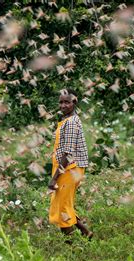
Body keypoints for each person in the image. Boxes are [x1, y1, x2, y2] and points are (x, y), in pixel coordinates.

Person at [48, 88, 93, 240]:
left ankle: (74, 248)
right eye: (60, 102)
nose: (63, 106)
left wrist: (53, 179)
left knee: (62, 210)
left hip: (70, 169)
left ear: (74, 102)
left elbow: (68, 153)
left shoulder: (72, 123)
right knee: (65, 204)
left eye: (67, 102)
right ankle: (86, 233)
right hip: (67, 169)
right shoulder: (67, 121)